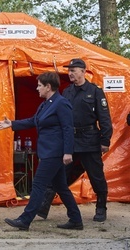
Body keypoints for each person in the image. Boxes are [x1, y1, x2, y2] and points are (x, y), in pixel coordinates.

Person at [0, 71, 83, 231]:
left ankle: (25, 219)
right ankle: (76, 220)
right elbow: (33, 121)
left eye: (39, 85)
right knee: (61, 187)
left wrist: (68, 152)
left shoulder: (61, 103)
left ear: (48, 87)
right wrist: (12, 124)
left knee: (38, 184)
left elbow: (68, 128)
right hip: (48, 151)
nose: (37, 88)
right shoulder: (45, 104)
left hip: (55, 152)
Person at [37, 59, 112, 222]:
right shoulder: (67, 92)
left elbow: (105, 118)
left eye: (74, 70)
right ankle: (43, 206)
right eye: (69, 70)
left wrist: (105, 140)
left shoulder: (95, 91)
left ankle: (101, 208)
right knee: (58, 172)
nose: (70, 73)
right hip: (70, 140)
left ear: (83, 71)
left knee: (96, 175)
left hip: (89, 140)